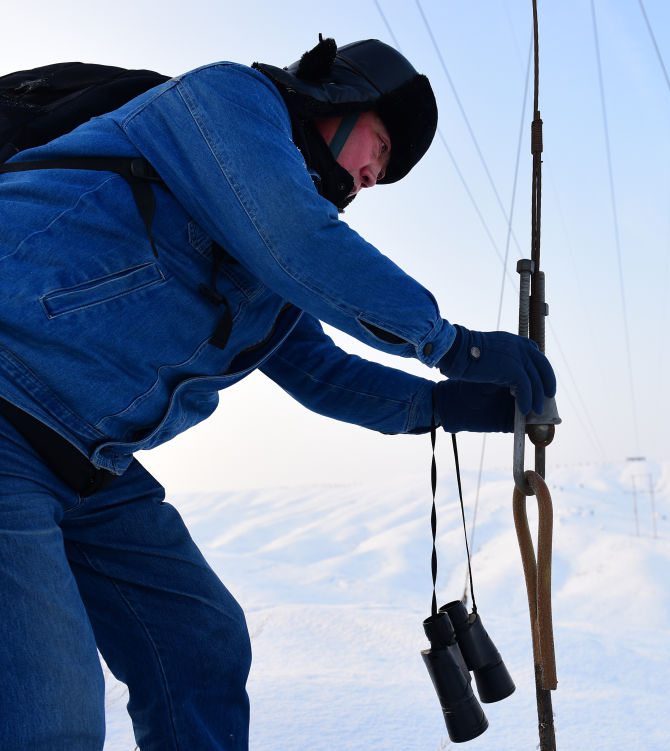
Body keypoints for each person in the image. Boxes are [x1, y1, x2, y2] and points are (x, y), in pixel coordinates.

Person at [0, 36, 555, 750]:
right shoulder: (224, 101)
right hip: (9, 407)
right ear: (339, 98)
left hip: (88, 461)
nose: (371, 178)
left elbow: (325, 375)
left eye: (380, 173)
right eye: (380, 150)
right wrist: (456, 346)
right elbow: (296, 234)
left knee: (200, 643)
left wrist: (447, 406)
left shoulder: (266, 279)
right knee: (52, 714)